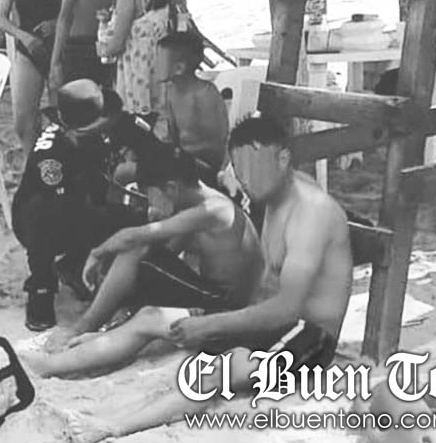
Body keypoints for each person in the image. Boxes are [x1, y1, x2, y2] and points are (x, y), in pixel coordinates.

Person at [57, 117, 354, 443]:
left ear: (283, 159)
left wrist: (211, 325)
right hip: (264, 318)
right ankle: (46, 365)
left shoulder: (310, 213)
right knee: (151, 317)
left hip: (308, 336)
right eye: (241, 168)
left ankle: (113, 427)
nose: (247, 178)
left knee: (220, 370)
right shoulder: (272, 194)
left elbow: (287, 308)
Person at [38, 143, 263, 358]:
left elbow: (133, 237)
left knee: (134, 251)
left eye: (153, 193)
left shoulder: (211, 209)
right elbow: (168, 254)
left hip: (225, 304)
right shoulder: (198, 203)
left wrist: (97, 253)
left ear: (172, 188)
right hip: (215, 292)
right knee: (138, 259)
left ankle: (83, 327)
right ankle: (109, 321)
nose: (153, 200)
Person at [12, 79, 154, 331]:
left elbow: (158, 154)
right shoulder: (50, 153)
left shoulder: (118, 121)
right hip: (43, 218)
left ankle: (74, 266)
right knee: (45, 214)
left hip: (92, 203)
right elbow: (57, 208)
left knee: (142, 219)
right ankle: (41, 287)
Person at [0, 0, 62, 155]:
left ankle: (57, 163)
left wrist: (56, 24)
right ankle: (31, 164)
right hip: (28, 51)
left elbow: (72, 10)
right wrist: (24, 37)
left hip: (57, 50)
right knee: (23, 123)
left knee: (59, 119)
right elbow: (2, 19)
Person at [96, 0, 171, 120]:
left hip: (136, 73)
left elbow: (117, 44)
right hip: (159, 67)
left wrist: (103, 49)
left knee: (135, 124)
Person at [156, 32, 228, 188]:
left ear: (179, 68)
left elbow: (220, 142)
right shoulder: (171, 91)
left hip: (205, 167)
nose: (154, 66)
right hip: (181, 160)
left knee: (128, 173)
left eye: (159, 61)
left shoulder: (205, 94)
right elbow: (173, 135)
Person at [48, 0, 115, 94]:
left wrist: (55, 61)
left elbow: (66, 14)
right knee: (102, 102)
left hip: (77, 46)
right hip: (104, 44)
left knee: (77, 103)